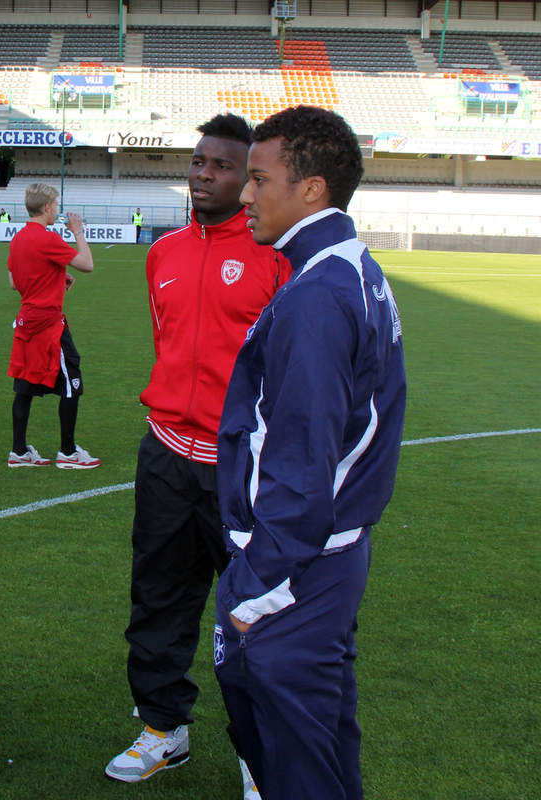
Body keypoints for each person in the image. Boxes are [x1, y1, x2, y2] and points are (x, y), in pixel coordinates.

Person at [213, 105, 406, 800]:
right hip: (327, 555)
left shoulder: (319, 294)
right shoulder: (346, 270)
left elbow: (303, 457)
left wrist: (253, 581)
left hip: (298, 564)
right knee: (320, 736)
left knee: (294, 752)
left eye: (260, 180)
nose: (246, 195)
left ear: (312, 189)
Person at [105, 114, 290, 796]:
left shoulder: (277, 257)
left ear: (248, 180)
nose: (204, 174)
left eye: (221, 165)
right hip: (165, 457)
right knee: (158, 600)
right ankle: (164, 729)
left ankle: (259, 751)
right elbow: (166, 344)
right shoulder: (164, 253)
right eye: (197, 162)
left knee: (254, 614)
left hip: (241, 467)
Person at [6, 182, 98, 469]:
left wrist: (57, 277)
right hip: (48, 324)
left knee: (24, 385)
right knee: (72, 382)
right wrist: (78, 232)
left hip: (26, 321)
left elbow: (14, 282)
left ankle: (19, 451)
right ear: (47, 207)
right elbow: (86, 263)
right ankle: (68, 452)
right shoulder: (46, 238)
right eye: (55, 205)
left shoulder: (19, 238)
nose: (56, 210)